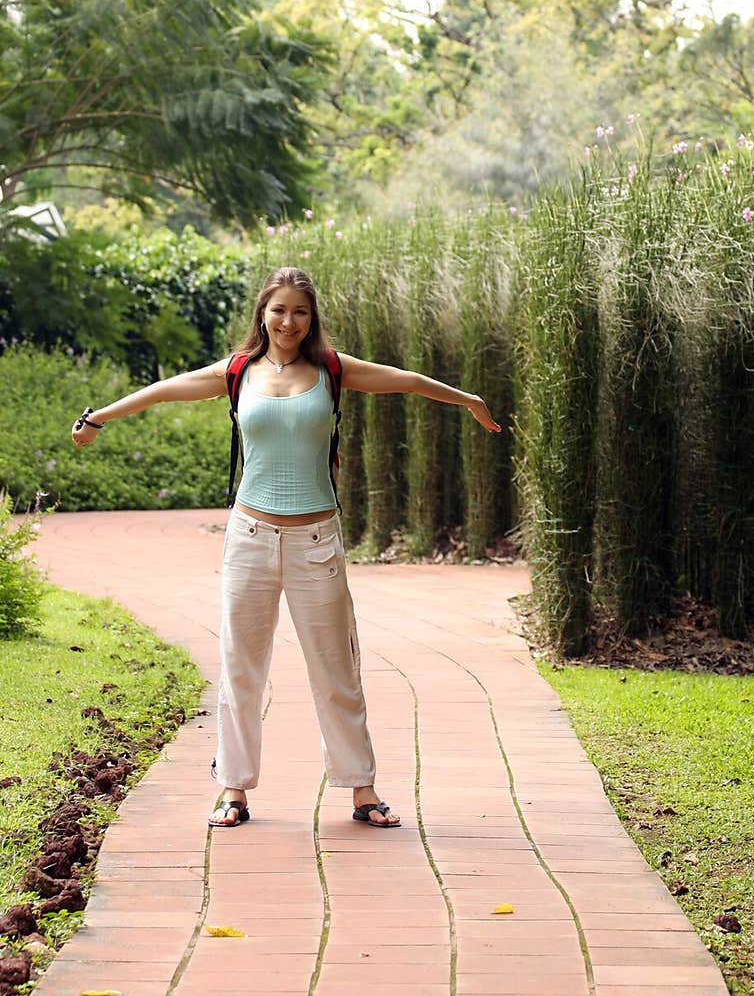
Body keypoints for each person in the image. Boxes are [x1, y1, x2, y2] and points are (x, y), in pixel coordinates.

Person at [71, 264, 502, 830]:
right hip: (249, 536)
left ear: (311, 316)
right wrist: (98, 417)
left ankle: (362, 791)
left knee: (336, 669)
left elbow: (409, 379)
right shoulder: (236, 372)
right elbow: (166, 391)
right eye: (279, 309)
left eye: (300, 311)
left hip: (316, 541)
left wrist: (467, 398)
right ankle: (233, 790)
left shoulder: (332, 369)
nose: (288, 321)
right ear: (263, 313)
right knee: (241, 668)